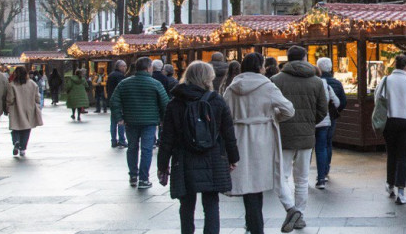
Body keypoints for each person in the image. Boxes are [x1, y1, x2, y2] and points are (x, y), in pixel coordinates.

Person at [157, 62, 240, 234]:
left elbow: (167, 138)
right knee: (211, 203)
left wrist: (162, 164)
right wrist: (233, 158)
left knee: (186, 204)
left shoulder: (175, 102)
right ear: (208, 78)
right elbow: (228, 133)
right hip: (213, 157)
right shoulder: (217, 100)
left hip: (184, 158)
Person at [222, 52, 294, 234]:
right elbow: (289, 110)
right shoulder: (267, 86)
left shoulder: (232, 88)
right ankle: (256, 226)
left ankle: (252, 224)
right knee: (259, 181)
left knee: (247, 182)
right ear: (260, 67)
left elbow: (224, 115)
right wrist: (272, 117)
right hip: (263, 137)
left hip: (239, 136)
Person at [269, 46, 326, 232]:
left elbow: (270, 107)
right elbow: (322, 110)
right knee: (302, 178)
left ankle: (290, 209)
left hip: (282, 135)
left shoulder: (276, 80)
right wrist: (309, 123)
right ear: (304, 58)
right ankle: (299, 214)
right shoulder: (317, 82)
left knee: (282, 177)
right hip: (307, 136)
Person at [110, 57, 170, 189]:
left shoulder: (124, 83)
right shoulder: (155, 84)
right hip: (149, 122)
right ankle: (144, 179)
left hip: (130, 121)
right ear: (149, 68)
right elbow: (165, 104)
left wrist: (119, 117)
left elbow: (114, 100)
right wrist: (163, 120)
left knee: (132, 148)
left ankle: (133, 175)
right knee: (146, 150)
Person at [376, 54, 406, 205]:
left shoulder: (385, 80)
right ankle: (401, 192)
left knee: (391, 154)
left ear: (394, 65)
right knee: (403, 156)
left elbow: (377, 98)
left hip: (389, 121)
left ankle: (390, 185)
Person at [315, 57, 347, 185]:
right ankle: (325, 170)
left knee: (317, 146)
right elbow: (342, 102)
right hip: (330, 118)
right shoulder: (336, 83)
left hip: (315, 118)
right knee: (327, 143)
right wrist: (334, 112)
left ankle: (320, 174)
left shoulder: (316, 82)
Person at [5, 67, 43, 157]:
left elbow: (10, 99)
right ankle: (23, 149)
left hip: (16, 109)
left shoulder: (12, 85)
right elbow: (37, 98)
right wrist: (37, 106)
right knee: (26, 129)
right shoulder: (33, 84)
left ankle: (16, 142)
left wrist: (7, 108)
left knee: (15, 128)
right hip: (30, 109)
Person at [313, 71, 339, 191]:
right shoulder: (325, 84)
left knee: (308, 150)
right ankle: (321, 178)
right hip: (324, 121)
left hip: (310, 122)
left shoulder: (308, 83)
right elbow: (337, 102)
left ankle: (302, 177)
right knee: (321, 149)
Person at [107, 61, 129, 148]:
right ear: (120, 67)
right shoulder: (120, 76)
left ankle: (113, 140)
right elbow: (122, 88)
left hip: (111, 100)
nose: (125, 68)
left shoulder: (111, 75)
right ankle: (122, 140)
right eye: (124, 66)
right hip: (119, 101)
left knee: (113, 122)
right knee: (120, 120)